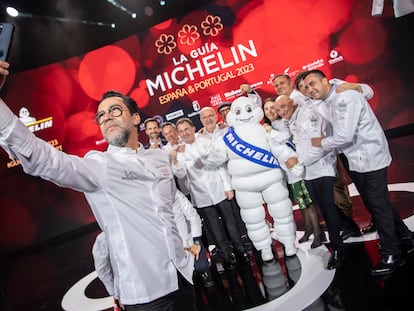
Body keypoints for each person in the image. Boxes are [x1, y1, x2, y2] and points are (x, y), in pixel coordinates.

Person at [0, 64, 196, 309]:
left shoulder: (159, 159)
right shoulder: (99, 165)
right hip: (147, 294)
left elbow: (170, 212)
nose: (107, 118)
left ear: (136, 117)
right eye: (101, 115)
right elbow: (42, 159)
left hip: (184, 278)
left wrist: (189, 246)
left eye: (115, 110)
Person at [305, 69, 414, 276]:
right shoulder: (331, 96)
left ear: (325, 80)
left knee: (378, 205)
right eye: (306, 87)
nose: (310, 89)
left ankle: (392, 252)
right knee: (377, 202)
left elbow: (344, 136)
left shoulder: (344, 97)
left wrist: (321, 142)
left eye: (312, 84)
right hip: (358, 158)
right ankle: (405, 236)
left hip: (370, 156)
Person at [172, 117, 248, 268]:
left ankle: (240, 250)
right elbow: (180, 174)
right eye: (181, 131)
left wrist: (227, 187)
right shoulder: (180, 151)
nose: (184, 133)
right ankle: (226, 256)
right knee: (214, 228)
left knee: (230, 222)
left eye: (186, 129)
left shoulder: (206, 142)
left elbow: (219, 165)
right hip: (200, 196)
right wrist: (174, 159)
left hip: (219, 189)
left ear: (193, 129)